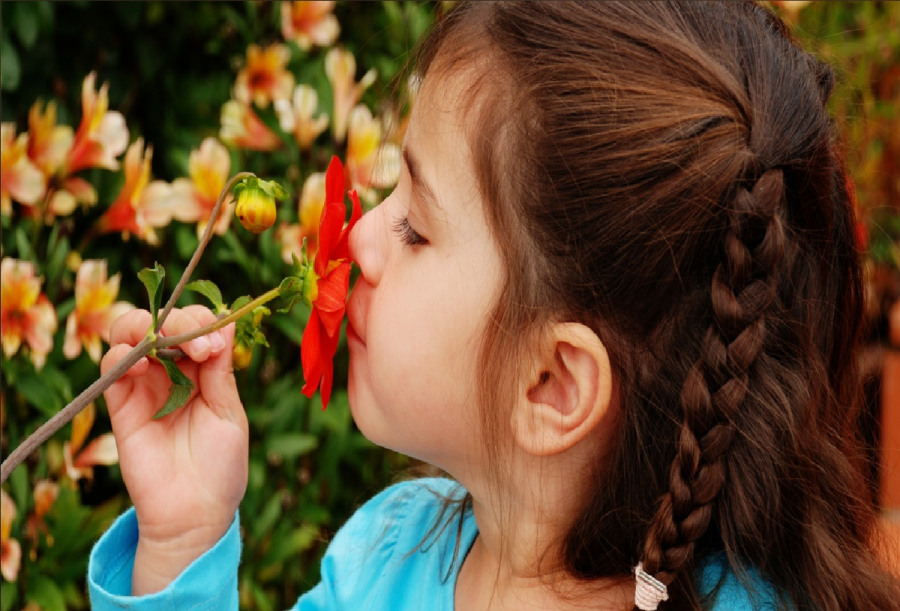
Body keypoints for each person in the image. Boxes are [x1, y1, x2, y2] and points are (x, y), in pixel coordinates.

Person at [89, 2, 900, 609]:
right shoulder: (383, 560)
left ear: (551, 384)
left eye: (414, 226)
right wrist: (184, 538)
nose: (359, 239)